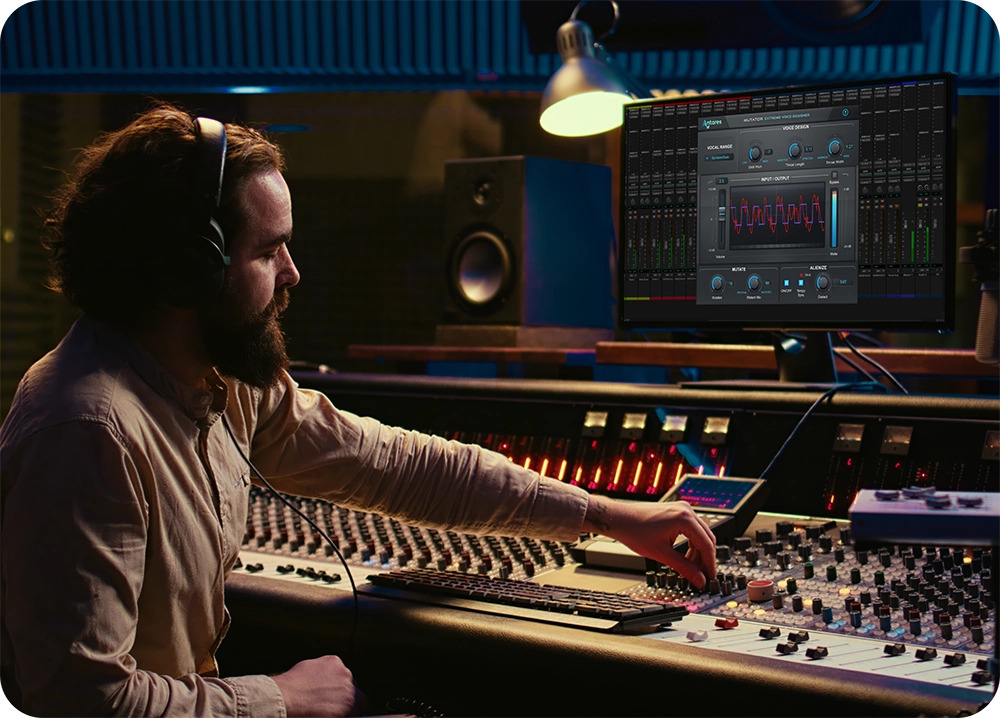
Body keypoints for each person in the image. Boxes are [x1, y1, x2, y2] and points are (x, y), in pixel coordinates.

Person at [0, 103, 716, 718]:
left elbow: (392, 464)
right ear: (189, 268)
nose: (293, 273)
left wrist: (601, 513)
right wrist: (281, 698)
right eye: (270, 250)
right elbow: (81, 702)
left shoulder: (219, 379)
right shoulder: (87, 431)